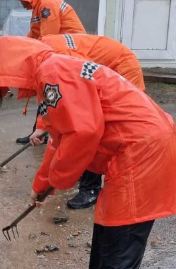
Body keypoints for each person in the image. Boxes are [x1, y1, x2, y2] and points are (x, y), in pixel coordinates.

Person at [0, 37, 176, 269]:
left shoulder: (54, 73)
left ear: (12, 66)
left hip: (141, 150)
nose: (10, 92)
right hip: (136, 146)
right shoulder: (54, 70)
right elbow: (60, 138)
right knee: (107, 223)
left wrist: (60, 181)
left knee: (121, 256)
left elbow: (83, 133)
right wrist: (42, 185)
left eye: (6, 85)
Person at [30, 33, 146, 210]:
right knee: (81, 129)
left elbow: (71, 108)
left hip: (122, 68)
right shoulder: (44, 53)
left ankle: (91, 189)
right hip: (105, 70)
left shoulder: (59, 58)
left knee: (93, 130)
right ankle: (82, 173)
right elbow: (52, 100)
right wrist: (41, 127)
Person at [7, 0, 85, 143]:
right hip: (66, 53)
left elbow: (46, 43)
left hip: (73, 55)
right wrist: (19, 53)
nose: (20, 2)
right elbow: (34, 36)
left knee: (51, 90)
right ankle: (41, 132)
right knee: (50, 91)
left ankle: (46, 132)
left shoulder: (47, 5)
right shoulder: (40, 6)